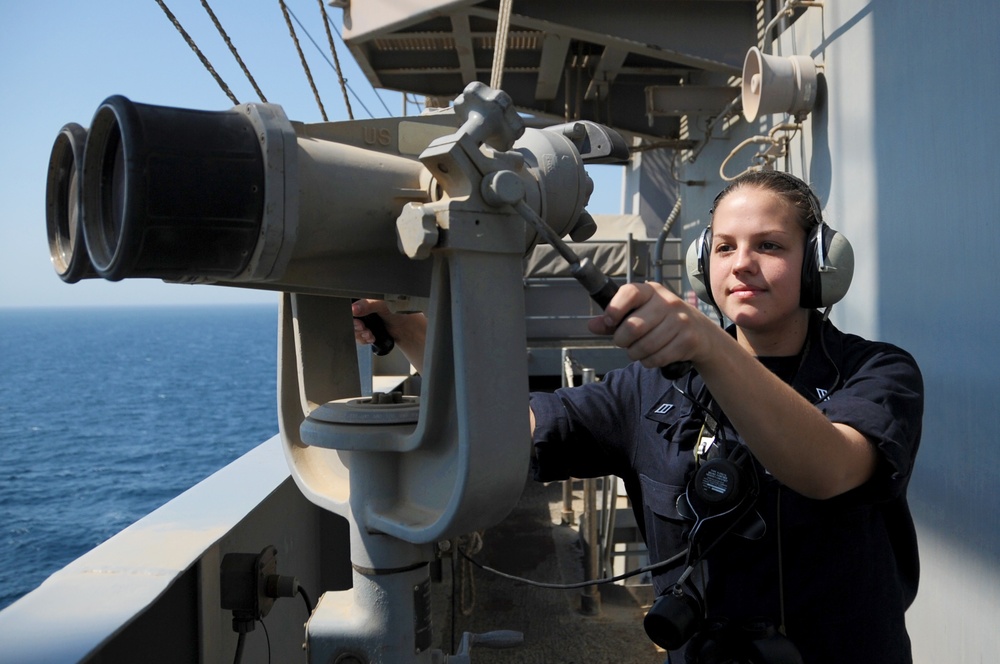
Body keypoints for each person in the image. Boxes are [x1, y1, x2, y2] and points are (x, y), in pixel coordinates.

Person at [352, 169, 923, 663]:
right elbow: (504, 428)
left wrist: (707, 345)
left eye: (770, 246)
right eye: (724, 248)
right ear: (705, 266)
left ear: (818, 261)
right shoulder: (645, 390)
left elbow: (826, 467)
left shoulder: (877, 373)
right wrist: (414, 336)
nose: (742, 264)